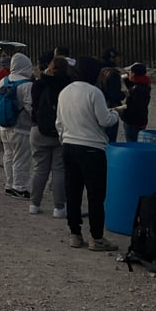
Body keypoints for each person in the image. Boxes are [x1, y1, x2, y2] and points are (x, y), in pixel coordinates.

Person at [55, 57, 120, 252]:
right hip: (92, 148)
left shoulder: (65, 92)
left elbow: (59, 122)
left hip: (68, 144)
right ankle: (96, 237)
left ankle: (75, 233)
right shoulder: (94, 92)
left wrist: (64, 138)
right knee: (95, 194)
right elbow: (104, 119)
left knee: (73, 192)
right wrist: (115, 113)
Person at [28, 57, 72, 218]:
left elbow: (33, 103)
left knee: (40, 168)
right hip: (60, 130)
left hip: (39, 129)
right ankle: (59, 207)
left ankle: (34, 204)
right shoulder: (69, 85)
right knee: (59, 170)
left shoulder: (39, 84)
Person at [0, 53, 34, 200]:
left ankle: (9, 184)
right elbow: (30, 107)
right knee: (22, 158)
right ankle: (19, 187)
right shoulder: (27, 84)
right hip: (21, 127)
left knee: (8, 155)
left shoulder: (3, 81)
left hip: (4, 126)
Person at [97, 47, 125, 143]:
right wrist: (124, 94)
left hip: (99, 105)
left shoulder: (98, 70)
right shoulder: (113, 73)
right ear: (112, 58)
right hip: (111, 106)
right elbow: (114, 94)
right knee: (110, 139)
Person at [120, 63, 151, 142]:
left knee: (132, 142)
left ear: (133, 74)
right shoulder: (145, 84)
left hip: (132, 121)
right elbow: (129, 82)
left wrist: (122, 111)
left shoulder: (136, 89)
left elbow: (133, 107)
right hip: (142, 120)